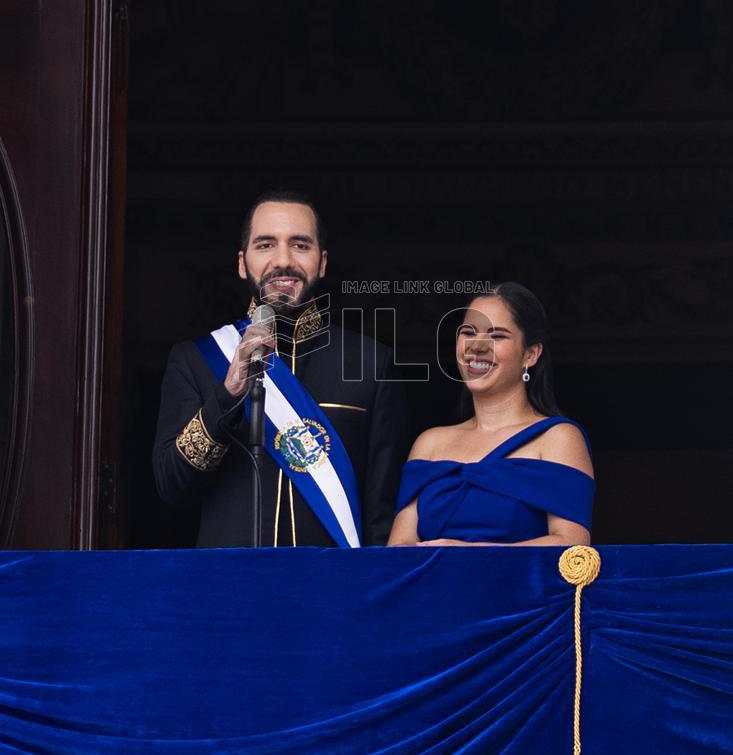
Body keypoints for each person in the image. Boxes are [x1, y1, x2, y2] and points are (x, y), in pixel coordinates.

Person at [153, 190, 408, 548]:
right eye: (266, 245)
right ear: (242, 263)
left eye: (300, 245)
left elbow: (382, 513)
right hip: (229, 588)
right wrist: (226, 397)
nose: (283, 260)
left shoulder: (370, 363)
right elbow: (171, 486)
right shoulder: (196, 360)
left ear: (322, 262)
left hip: (331, 590)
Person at [388, 283, 594, 547]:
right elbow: (397, 551)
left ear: (530, 354)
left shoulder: (558, 438)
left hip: (520, 589)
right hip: (433, 589)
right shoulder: (429, 444)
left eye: (497, 336)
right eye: (468, 332)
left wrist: (470, 554)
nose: (477, 346)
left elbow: (572, 547)